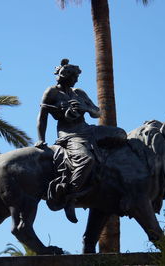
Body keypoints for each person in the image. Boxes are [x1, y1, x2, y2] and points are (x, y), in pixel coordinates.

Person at [36, 59, 112, 223]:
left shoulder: (79, 93)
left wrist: (85, 108)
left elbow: (97, 113)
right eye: (74, 76)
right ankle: (70, 196)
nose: (76, 80)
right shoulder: (51, 93)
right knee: (86, 159)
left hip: (88, 130)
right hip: (69, 134)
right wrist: (41, 139)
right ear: (65, 76)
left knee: (119, 135)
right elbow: (42, 117)